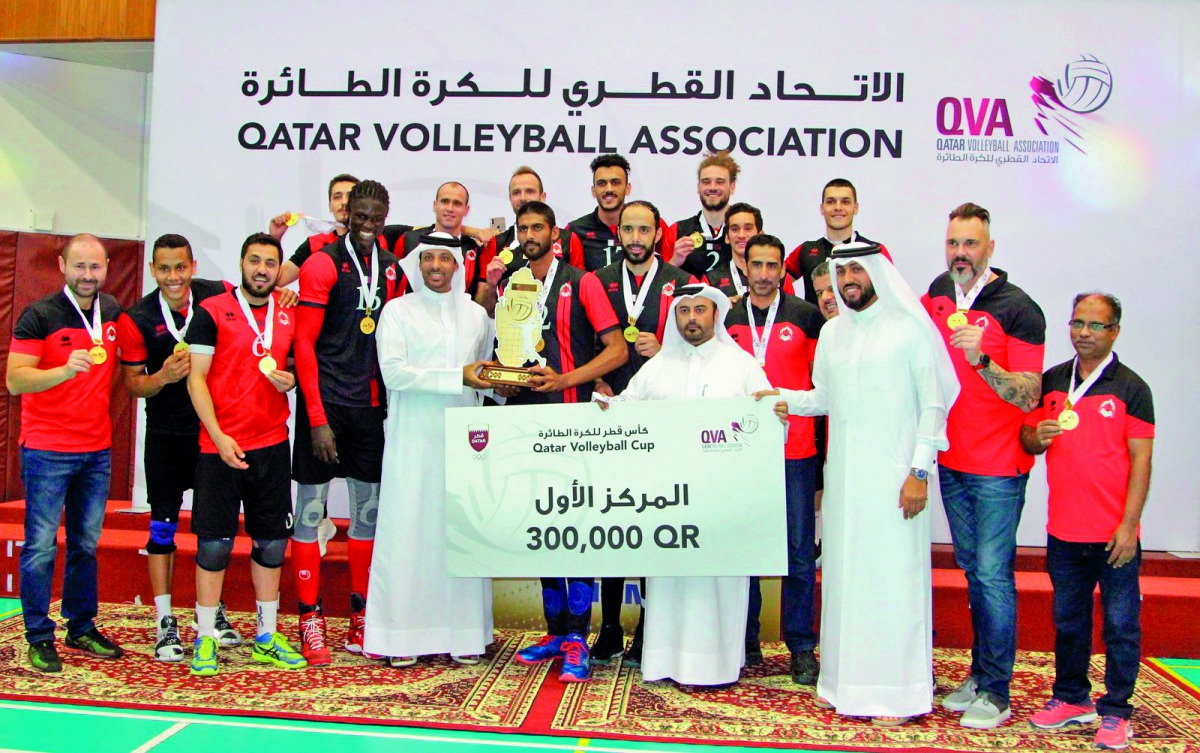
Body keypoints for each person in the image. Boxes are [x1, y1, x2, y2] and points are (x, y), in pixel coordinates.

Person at [764, 242, 958, 725]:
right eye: (840, 270)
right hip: (846, 484)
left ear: (876, 272)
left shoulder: (909, 329)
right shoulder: (833, 333)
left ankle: (896, 693)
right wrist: (778, 398)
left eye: (856, 268)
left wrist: (919, 472)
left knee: (893, 584)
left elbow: (933, 407)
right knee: (848, 582)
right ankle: (844, 685)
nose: (848, 278)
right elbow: (825, 397)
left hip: (896, 482)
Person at [599, 284, 772, 687]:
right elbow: (628, 407)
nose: (691, 318)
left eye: (700, 310)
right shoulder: (658, 366)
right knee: (670, 580)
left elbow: (765, 420)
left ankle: (717, 665)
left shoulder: (741, 365)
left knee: (718, 582)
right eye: (684, 311)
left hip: (720, 499)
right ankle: (663, 660)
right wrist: (606, 408)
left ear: (715, 315)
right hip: (668, 500)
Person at [921, 202, 1046, 729]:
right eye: (953, 243)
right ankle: (978, 674)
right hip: (951, 458)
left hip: (998, 467)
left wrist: (984, 361)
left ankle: (997, 691)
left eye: (970, 244)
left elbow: (1029, 395)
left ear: (990, 248)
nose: (960, 253)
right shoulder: (938, 293)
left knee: (993, 576)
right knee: (973, 571)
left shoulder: (1019, 307)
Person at [504, 200, 628, 683]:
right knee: (543, 527)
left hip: (574, 422)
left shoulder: (583, 281)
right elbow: (509, 353)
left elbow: (616, 350)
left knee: (576, 527)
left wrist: (567, 380)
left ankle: (579, 636)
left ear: (554, 233)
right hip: (525, 421)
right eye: (523, 228)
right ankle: (556, 631)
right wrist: (507, 380)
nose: (530, 234)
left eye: (538, 227)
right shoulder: (512, 283)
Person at [1022, 293, 1153, 751]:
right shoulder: (1054, 379)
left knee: (1120, 624)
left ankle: (1117, 711)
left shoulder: (1131, 387)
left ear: (1115, 330)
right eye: (1077, 322)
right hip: (1064, 530)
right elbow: (1029, 439)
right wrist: (1034, 435)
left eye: (1096, 325)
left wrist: (1129, 526)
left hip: (1114, 534)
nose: (1084, 332)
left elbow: (1141, 462)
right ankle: (1071, 698)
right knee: (1069, 621)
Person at [364, 236, 496, 667]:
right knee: (410, 532)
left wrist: (505, 383)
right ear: (417, 264)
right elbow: (395, 374)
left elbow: (485, 375)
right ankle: (401, 637)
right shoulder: (396, 312)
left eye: (445, 258)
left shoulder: (477, 316)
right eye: (428, 259)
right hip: (412, 441)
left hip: (463, 441)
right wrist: (459, 376)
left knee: (460, 532)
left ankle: (464, 636)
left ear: (457, 265)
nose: (436, 266)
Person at [290, 180, 400, 665]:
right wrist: (316, 417)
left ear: (385, 216)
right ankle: (309, 618)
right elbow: (303, 346)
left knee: (367, 516)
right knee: (311, 513)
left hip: (368, 411)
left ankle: (360, 614)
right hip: (325, 406)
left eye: (376, 217)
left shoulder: (393, 269)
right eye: (360, 215)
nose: (368, 225)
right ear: (347, 213)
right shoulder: (321, 263)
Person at [185, 232, 305, 677]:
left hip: (271, 444)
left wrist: (288, 380)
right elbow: (196, 379)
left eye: (269, 263)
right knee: (214, 545)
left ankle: (266, 636)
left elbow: (292, 366)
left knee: (271, 542)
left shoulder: (288, 312)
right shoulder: (212, 312)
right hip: (218, 447)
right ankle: (205, 637)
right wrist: (216, 435)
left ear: (278, 269)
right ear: (241, 263)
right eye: (254, 261)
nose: (261, 269)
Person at [116, 234, 240, 662]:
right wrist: (164, 377)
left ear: (192, 265)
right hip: (167, 434)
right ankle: (165, 619)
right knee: (162, 528)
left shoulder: (217, 295)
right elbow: (133, 385)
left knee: (211, 528)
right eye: (164, 268)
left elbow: (263, 294)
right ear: (153, 269)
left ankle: (212, 612)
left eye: (180, 267)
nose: (173, 276)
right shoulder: (137, 318)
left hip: (210, 431)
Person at [6, 234, 126, 673]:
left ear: (107, 266)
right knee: (39, 547)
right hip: (47, 451)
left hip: (96, 451)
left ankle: (81, 626)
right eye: (79, 267)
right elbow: (16, 381)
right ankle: (39, 636)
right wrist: (62, 369)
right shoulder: (39, 315)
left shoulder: (112, 311)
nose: (88, 276)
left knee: (86, 545)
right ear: (61, 265)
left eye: (95, 267)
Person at [589, 200, 694, 665]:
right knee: (611, 524)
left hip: (660, 420)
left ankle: (650, 627)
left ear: (657, 234)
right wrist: (594, 378)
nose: (635, 236)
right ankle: (609, 628)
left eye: (644, 229)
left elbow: (697, 344)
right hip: (610, 414)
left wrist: (665, 348)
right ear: (620, 234)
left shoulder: (679, 282)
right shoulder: (598, 280)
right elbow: (582, 335)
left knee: (652, 522)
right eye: (628, 228)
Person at [725, 235, 824, 685]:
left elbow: (825, 390)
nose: (764, 273)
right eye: (756, 264)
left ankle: (801, 647)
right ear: (743, 267)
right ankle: (745, 641)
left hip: (795, 452)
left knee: (800, 555)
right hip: (739, 454)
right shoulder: (725, 316)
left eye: (772, 265)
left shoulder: (806, 317)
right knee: (743, 550)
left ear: (783, 270)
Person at [783, 179, 890, 306]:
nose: (838, 207)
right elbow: (775, 280)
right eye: (831, 202)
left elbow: (891, 293)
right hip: (817, 326)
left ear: (855, 208)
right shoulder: (805, 250)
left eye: (845, 202)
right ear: (822, 208)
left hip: (862, 325)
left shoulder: (875, 250)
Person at [562, 155, 667, 272]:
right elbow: (572, 279)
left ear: (627, 188)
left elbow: (666, 271)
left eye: (616, 183)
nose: (608, 189)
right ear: (593, 190)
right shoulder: (575, 230)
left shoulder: (651, 223)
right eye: (602, 183)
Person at [397, 182, 489, 298]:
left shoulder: (475, 249)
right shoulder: (408, 240)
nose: (450, 208)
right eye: (445, 201)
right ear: (435, 205)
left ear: (466, 210)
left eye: (457, 203)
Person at [702, 203, 795, 302]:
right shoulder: (711, 279)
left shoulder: (780, 276)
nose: (741, 235)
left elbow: (791, 312)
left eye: (748, 228)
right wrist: (722, 308)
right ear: (727, 237)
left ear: (760, 235)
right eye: (735, 229)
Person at [664, 152, 737, 277]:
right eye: (706, 182)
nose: (712, 187)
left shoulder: (745, 232)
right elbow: (660, 285)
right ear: (698, 187)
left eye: (720, 182)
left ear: (732, 187)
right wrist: (675, 262)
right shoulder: (676, 231)